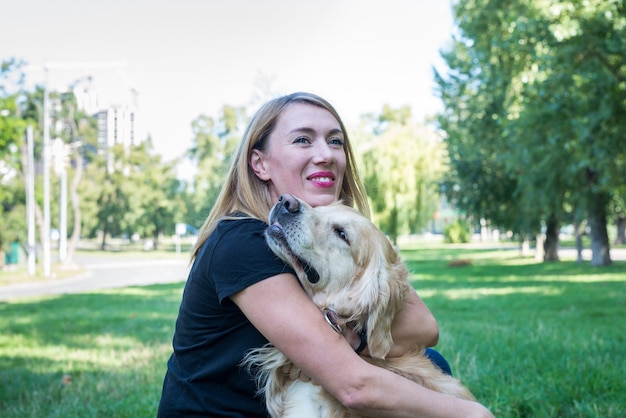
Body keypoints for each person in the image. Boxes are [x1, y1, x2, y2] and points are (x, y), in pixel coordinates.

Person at [157, 92, 493, 418]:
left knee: (428, 363)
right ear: (260, 163)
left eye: (335, 141)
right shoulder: (242, 244)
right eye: (303, 140)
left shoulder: (333, 229)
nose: (327, 154)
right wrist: (470, 413)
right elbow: (354, 386)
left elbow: (424, 326)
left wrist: (352, 336)